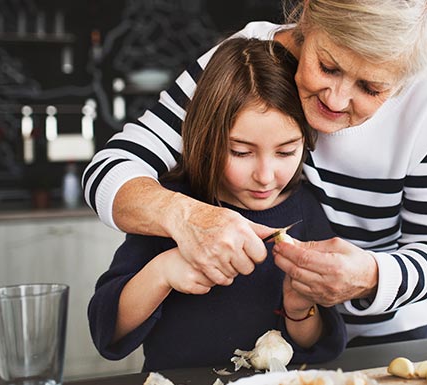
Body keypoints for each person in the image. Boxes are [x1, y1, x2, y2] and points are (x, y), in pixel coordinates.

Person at [83, 0, 427, 347]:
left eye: (370, 87)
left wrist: (369, 275)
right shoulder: (246, 61)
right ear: (307, 16)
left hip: (388, 339)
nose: (335, 100)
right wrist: (187, 218)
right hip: (271, 346)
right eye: (327, 66)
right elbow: (108, 170)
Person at [87, 38, 346, 371]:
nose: (265, 176)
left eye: (286, 152)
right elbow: (107, 332)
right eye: (240, 152)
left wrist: (300, 310)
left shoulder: (307, 210)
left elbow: (320, 348)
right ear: (207, 139)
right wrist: (163, 272)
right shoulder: (176, 209)